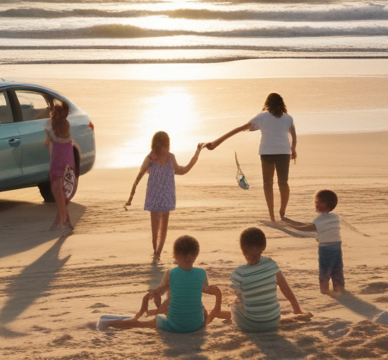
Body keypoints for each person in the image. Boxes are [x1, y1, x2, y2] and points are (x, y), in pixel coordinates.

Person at [98, 235, 225, 332]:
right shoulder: (201, 273)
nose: (188, 258)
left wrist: (155, 307)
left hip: (174, 323)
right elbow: (205, 290)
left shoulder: (171, 273)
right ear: (196, 255)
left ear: (175, 256)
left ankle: (107, 324)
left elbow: (158, 292)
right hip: (196, 325)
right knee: (203, 310)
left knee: (142, 323)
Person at [204, 93, 297, 223]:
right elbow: (293, 134)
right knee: (283, 183)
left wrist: (216, 142)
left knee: (268, 184)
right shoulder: (288, 118)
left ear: (267, 104)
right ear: (282, 104)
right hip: (283, 153)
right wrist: (293, 150)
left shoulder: (263, 116)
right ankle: (282, 211)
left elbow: (241, 128)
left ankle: (272, 215)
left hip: (267, 154)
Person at [211, 227, 311, 333]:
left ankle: (223, 314)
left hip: (248, 325)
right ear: (263, 247)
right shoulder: (272, 265)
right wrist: (296, 308)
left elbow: (241, 299)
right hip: (273, 322)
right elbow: (284, 287)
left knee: (235, 303)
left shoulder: (240, 272)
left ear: (242, 249)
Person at [124, 131, 203, 259]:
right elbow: (139, 176)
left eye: (168, 145)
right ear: (157, 146)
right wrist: (131, 196)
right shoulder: (150, 158)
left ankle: (158, 252)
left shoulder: (171, 158)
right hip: (154, 196)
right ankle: (155, 249)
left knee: (164, 224)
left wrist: (197, 153)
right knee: (155, 224)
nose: (167, 148)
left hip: (167, 195)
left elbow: (183, 170)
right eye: (164, 146)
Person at [280, 189, 345, 296]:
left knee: (325, 270)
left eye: (318, 202)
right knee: (337, 269)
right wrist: (289, 221)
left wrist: (288, 223)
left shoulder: (319, 220)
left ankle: (324, 289)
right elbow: (307, 226)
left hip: (326, 249)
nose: (316, 204)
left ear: (326, 204)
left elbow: (304, 228)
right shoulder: (335, 217)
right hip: (337, 247)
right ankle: (339, 287)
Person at [43, 100, 78, 233]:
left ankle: (61, 220)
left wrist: (51, 165)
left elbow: (50, 146)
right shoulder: (66, 124)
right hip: (69, 161)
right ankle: (63, 219)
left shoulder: (49, 126)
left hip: (58, 161)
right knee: (64, 192)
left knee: (57, 192)